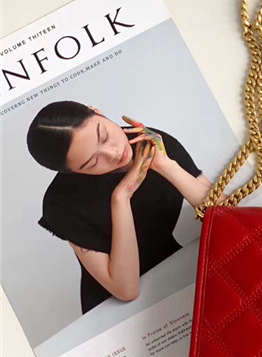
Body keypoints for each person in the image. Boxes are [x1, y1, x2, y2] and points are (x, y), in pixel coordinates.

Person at [27, 100, 217, 315]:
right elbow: (127, 290)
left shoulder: (148, 141)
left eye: (104, 136)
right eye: (92, 163)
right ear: (74, 172)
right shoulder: (61, 203)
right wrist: (121, 197)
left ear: (96, 111)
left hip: (176, 271)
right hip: (115, 308)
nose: (113, 153)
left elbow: (223, 212)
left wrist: (164, 165)